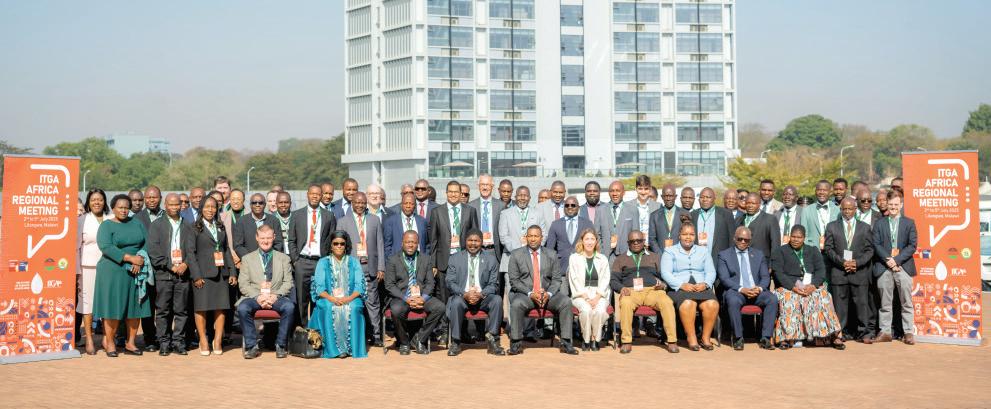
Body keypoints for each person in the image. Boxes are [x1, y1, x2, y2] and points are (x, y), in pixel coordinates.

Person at [93, 194, 151, 357]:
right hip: (113, 270)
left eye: (126, 208)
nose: (124, 210)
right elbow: (106, 247)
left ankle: (130, 342)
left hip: (136, 270)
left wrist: (139, 258)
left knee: (135, 307)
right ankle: (110, 342)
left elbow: (147, 242)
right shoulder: (106, 225)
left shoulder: (137, 223)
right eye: (120, 207)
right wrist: (129, 258)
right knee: (113, 308)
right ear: (113, 208)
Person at [507, 225, 578, 355]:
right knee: (516, 304)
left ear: (541, 238)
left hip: (547, 295)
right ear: (526, 237)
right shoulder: (516, 255)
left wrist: (549, 293)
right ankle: (516, 343)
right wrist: (530, 293)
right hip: (526, 295)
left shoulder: (551, 254)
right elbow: (514, 281)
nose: (533, 239)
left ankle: (566, 342)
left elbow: (557, 279)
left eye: (536, 236)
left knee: (566, 302)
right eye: (530, 236)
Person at [770, 225, 845, 349]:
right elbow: (778, 273)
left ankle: (833, 336)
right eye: (793, 237)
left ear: (804, 238)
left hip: (811, 286)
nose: (796, 239)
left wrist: (813, 286)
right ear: (789, 237)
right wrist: (793, 287)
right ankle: (786, 338)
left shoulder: (813, 250)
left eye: (799, 237)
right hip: (789, 287)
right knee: (789, 299)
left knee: (824, 297)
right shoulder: (780, 251)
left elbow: (821, 271)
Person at [611, 230, 678, 354]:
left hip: (652, 290)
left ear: (644, 241)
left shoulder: (655, 257)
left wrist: (663, 285)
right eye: (633, 241)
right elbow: (613, 280)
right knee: (625, 303)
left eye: (639, 241)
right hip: (630, 291)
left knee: (667, 302)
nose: (636, 243)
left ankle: (672, 340)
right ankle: (626, 341)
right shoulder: (620, 259)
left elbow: (666, 276)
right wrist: (621, 288)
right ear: (628, 243)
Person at [185, 195, 236, 356]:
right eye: (207, 207)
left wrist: (232, 271)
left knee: (220, 308)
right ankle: (203, 340)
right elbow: (190, 253)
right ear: (201, 209)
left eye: (213, 207)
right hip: (202, 274)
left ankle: (217, 340)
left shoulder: (220, 226)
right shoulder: (194, 227)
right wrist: (196, 275)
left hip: (221, 273)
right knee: (201, 308)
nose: (210, 210)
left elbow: (226, 250)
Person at [237, 225, 295, 359]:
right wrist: (258, 297)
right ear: (257, 238)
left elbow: (288, 282)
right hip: (254, 297)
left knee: (289, 307)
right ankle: (251, 346)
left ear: (274, 237)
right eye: (262, 238)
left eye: (268, 238)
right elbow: (243, 284)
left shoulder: (284, 258)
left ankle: (281, 345)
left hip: (276, 296)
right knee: (243, 308)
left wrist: (275, 296)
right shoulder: (247, 259)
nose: (266, 241)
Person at [428, 180, 479, 331]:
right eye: (450, 191)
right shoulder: (437, 212)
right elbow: (433, 240)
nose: (453, 194)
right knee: (444, 297)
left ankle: (463, 331)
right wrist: (433, 264)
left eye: (456, 192)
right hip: (443, 261)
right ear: (446, 193)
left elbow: (475, 237)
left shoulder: (470, 211)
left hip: (464, 261)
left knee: (463, 296)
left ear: (461, 193)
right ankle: (445, 330)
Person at [307, 230, 367, 358]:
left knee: (354, 307)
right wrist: (332, 299)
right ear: (330, 245)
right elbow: (319, 287)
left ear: (346, 245)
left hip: (350, 297)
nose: (339, 246)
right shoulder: (323, 262)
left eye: (342, 244)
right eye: (336, 243)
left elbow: (359, 285)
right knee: (329, 307)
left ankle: (352, 349)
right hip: (328, 298)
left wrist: (348, 298)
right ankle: (334, 350)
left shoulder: (354, 262)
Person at [660, 219, 719, 351]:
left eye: (691, 234)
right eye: (685, 234)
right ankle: (691, 338)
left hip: (700, 286)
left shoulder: (703, 251)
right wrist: (681, 285)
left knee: (712, 304)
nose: (688, 237)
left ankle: (705, 338)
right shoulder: (670, 251)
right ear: (679, 235)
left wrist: (706, 283)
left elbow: (711, 271)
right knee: (688, 303)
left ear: (695, 236)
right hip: (678, 288)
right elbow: (665, 273)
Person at [823, 197, 876, 343]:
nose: (847, 212)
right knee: (840, 306)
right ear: (840, 210)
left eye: (850, 209)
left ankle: (863, 333)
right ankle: (840, 333)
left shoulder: (865, 227)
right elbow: (828, 249)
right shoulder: (832, 226)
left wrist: (856, 263)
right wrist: (843, 262)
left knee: (861, 304)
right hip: (839, 272)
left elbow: (870, 250)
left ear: (855, 210)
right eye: (844, 209)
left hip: (859, 272)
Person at [445, 230, 504, 356]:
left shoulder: (491, 259)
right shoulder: (455, 258)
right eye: (470, 240)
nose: (473, 243)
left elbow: (494, 284)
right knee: (456, 302)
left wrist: (481, 294)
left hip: (483, 298)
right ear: (465, 241)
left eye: (476, 241)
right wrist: (464, 293)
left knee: (497, 300)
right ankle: (456, 342)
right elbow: (450, 282)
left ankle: (493, 340)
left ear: (481, 242)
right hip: (462, 297)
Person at [147, 193, 193, 356]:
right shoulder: (156, 225)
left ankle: (178, 342)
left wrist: (186, 264)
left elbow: (193, 249)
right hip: (164, 275)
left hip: (183, 275)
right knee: (163, 311)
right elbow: (153, 251)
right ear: (165, 205)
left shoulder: (188, 225)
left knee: (181, 310)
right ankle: (164, 342)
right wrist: (171, 266)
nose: (174, 207)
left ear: (181, 205)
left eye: (177, 204)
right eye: (171, 204)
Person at [717, 226, 778, 350]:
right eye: (740, 239)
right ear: (734, 238)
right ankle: (738, 338)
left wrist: (759, 288)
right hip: (737, 291)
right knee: (732, 300)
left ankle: (766, 338)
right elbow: (724, 278)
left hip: (756, 291)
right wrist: (741, 289)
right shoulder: (724, 255)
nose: (743, 242)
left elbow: (765, 277)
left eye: (746, 240)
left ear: (750, 241)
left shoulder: (758, 254)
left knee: (772, 299)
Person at [384, 231, 445, 355]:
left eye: (413, 242)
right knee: (396, 310)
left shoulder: (426, 259)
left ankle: (419, 339)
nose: (410, 245)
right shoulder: (393, 260)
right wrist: (406, 299)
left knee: (440, 307)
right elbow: (389, 285)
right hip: (402, 297)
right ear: (402, 243)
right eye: (407, 242)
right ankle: (404, 342)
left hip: (421, 296)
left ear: (418, 244)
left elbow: (430, 283)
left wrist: (423, 298)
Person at [338, 192, 386, 347]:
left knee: (373, 302)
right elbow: (339, 248)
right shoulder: (342, 222)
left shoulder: (374, 220)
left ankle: (376, 335)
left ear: (366, 204)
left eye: (362, 203)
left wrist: (381, 267)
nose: (360, 205)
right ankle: (352, 334)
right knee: (352, 302)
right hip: (351, 268)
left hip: (370, 267)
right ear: (352, 203)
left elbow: (380, 244)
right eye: (357, 202)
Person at [287, 185, 337, 327]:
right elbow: (291, 240)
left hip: (320, 262)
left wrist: (327, 261)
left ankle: (317, 329)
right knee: (301, 298)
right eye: (312, 194)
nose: (315, 196)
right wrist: (296, 260)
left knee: (319, 297)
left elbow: (332, 240)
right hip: (302, 261)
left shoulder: (329, 216)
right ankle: (301, 329)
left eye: (318, 194)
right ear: (307, 194)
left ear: (321, 196)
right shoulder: (297, 215)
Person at [872, 190, 918, 345]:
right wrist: (889, 261)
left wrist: (896, 260)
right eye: (890, 204)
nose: (893, 207)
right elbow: (876, 244)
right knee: (885, 303)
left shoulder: (909, 223)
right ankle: (885, 332)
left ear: (901, 205)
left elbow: (912, 245)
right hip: (884, 267)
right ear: (887, 204)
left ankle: (908, 332)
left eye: (896, 205)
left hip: (903, 267)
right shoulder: (879, 223)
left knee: (906, 301)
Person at [567, 228, 610, 351]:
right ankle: (586, 340)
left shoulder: (603, 258)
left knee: (600, 311)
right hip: (580, 294)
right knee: (586, 310)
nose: (590, 242)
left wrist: (597, 297)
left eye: (592, 239)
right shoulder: (574, 258)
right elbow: (574, 279)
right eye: (587, 239)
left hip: (599, 294)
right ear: (582, 241)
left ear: (596, 241)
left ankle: (595, 339)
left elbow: (605, 279)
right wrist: (585, 297)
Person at [76, 188, 108, 355]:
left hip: (109, 266)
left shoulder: (111, 218)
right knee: (87, 302)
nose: (97, 202)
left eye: (100, 199)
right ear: (88, 202)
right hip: (87, 266)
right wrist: (77, 270)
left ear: (104, 201)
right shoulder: (82, 220)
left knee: (107, 301)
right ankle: (89, 338)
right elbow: (76, 246)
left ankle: (107, 338)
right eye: (93, 199)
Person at [545, 196, 593, 270]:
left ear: (578, 207)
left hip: (582, 267)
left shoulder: (587, 223)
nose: (570, 207)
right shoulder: (555, 224)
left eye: (573, 205)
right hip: (561, 267)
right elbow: (549, 249)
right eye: (567, 205)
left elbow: (593, 245)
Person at [616, 175, 659, 255]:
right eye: (640, 188)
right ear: (635, 189)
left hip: (652, 248)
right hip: (632, 248)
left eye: (646, 189)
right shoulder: (627, 206)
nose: (643, 192)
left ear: (650, 189)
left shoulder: (658, 206)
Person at [690, 187, 736, 263]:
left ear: (714, 198)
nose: (705, 199)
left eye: (708, 197)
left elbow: (732, 240)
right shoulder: (693, 215)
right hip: (697, 260)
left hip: (719, 261)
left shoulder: (726, 214)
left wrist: (729, 260)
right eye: (702, 197)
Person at [233, 193, 284, 258]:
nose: (257, 205)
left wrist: (269, 257)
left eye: (260, 203)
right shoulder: (241, 221)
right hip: (249, 260)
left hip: (270, 259)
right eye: (254, 203)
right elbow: (238, 246)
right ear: (250, 205)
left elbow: (278, 243)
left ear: (265, 205)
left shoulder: (274, 220)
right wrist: (250, 259)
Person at [469, 174, 504, 262]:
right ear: (478, 186)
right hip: (476, 250)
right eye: (482, 184)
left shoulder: (501, 206)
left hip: (495, 252)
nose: (485, 187)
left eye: (487, 185)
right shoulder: (470, 206)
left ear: (492, 186)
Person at [383, 192, 428, 258]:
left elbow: (427, 244)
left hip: (419, 261)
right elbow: (387, 246)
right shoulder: (391, 221)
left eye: (411, 203)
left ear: (415, 205)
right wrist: (392, 261)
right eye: (405, 203)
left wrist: (425, 259)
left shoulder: (422, 221)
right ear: (401, 205)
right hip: (398, 261)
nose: (408, 206)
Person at [738, 193, 781, 259]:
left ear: (759, 204)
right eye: (748, 203)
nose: (750, 206)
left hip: (762, 261)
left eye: (753, 203)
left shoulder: (770, 219)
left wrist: (773, 263)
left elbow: (775, 245)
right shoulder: (739, 219)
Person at [649, 185, 689, 253]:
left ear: (675, 196)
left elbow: (687, 236)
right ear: (662, 197)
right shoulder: (654, 216)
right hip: (661, 254)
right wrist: (660, 254)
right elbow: (652, 239)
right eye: (666, 196)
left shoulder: (684, 214)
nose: (668, 198)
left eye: (671, 196)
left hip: (680, 254)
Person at [801, 180, 840, 249]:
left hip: (832, 250)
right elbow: (804, 233)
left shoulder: (837, 210)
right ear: (815, 191)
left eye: (825, 190)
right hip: (812, 250)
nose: (821, 192)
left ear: (830, 192)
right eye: (819, 190)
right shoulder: (806, 210)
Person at [597, 181, 625, 261]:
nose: (614, 194)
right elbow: (597, 234)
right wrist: (601, 253)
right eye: (612, 191)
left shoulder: (632, 210)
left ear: (623, 192)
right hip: (606, 256)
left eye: (618, 191)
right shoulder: (600, 210)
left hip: (626, 256)